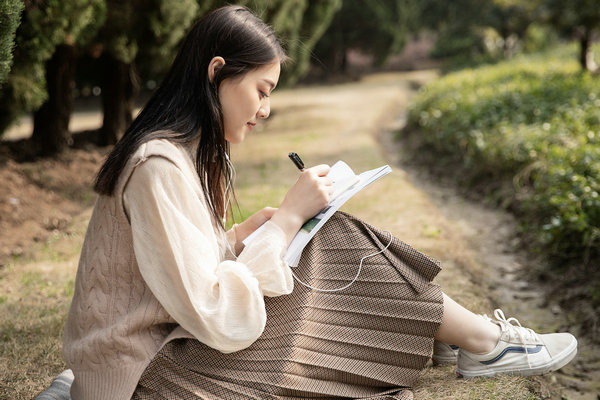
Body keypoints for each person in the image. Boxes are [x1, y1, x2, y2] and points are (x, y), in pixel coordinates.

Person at [60, 5, 577, 400]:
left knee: (321, 233)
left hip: (163, 356)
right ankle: (480, 342)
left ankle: (467, 338)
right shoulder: (158, 164)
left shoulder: (178, 154)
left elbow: (172, 269)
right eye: (261, 90)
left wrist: (242, 235)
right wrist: (285, 221)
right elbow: (216, 312)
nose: (264, 110)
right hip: (146, 381)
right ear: (217, 72)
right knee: (322, 240)